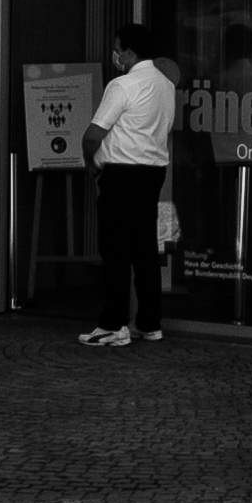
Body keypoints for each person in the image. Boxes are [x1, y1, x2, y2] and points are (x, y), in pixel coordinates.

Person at [82, 22, 178, 348]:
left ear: (130, 52)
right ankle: (149, 323)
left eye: (118, 49)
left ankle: (113, 324)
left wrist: (91, 163)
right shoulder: (165, 85)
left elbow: (93, 134)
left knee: (115, 251)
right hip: (153, 172)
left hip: (121, 173)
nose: (115, 55)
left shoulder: (122, 85)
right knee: (144, 250)